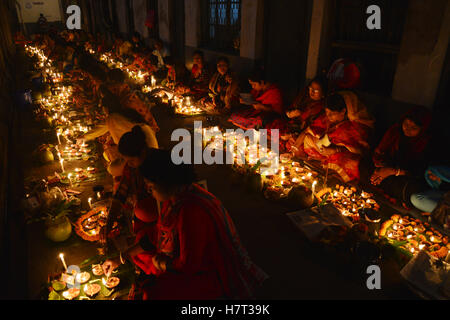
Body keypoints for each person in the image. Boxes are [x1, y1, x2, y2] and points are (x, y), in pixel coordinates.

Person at [102, 149, 268, 300]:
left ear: (165, 182)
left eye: (151, 187)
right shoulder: (177, 195)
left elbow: (189, 265)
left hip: (213, 272)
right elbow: (158, 234)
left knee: (153, 293)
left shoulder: (191, 211)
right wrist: (122, 257)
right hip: (185, 261)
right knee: (139, 250)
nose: (150, 192)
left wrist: (161, 263)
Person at [293, 91, 374, 182]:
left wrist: (334, 150)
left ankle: (336, 176)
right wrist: (295, 146)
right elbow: (310, 131)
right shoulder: (326, 116)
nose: (329, 116)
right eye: (327, 112)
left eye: (332, 113)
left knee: (350, 161)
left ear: (343, 111)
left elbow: (360, 151)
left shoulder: (356, 127)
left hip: (344, 155)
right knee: (306, 139)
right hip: (328, 149)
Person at [78, 87, 158, 177]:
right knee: (107, 155)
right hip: (141, 152)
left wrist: (84, 137)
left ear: (107, 109)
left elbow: (102, 128)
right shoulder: (124, 115)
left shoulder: (114, 118)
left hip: (141, 156)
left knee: (112, 167)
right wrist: (85, 137)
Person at [371, 107, 434, 206]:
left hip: (407, 176)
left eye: (413, 128)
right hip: (389, 167)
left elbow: (418, 172)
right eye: (406, 124)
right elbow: (380, 152)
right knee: (364, 166)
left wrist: (392, 171)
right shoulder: (395, 131)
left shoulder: (425, 143)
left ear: (422, 130)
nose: (407, 129)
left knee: (409, 191)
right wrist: (380, 166)